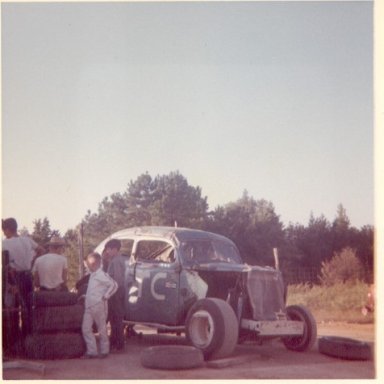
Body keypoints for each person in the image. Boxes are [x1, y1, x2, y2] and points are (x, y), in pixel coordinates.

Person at [2, 218, 44, 337]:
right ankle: (28, 336)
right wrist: (31, 262)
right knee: (27, 307)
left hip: (13, 278)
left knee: (13, 308)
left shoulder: (4, 243)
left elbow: (4, 264)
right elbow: (41, 250)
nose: (4, 233)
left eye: (4, 231)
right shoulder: (27, 240)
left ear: (8, 229)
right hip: (27, 276)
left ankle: (16, 338)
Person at [81, 252, 118, 359]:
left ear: (94, 263)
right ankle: (92, 351)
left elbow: (114, 285)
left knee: (101, 328)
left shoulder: (101, 275)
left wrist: (106, 296)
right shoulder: (93, 275)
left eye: (88, 263)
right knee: (86, 328)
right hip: (89, 305)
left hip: (98, 305)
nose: (87, 265)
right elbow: (94, 289)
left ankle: (104, 350)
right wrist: (85, 296)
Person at [103, 239, 126, 352]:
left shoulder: (116, 261)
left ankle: (118, 344)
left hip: (115, 292)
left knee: (116, 319)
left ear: (115, 249)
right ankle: (115, 342)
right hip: (116, 291)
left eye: (109, 249)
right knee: (114, 319)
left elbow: (117, 279)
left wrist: (110, 292)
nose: (107, 252)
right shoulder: (117, 260)